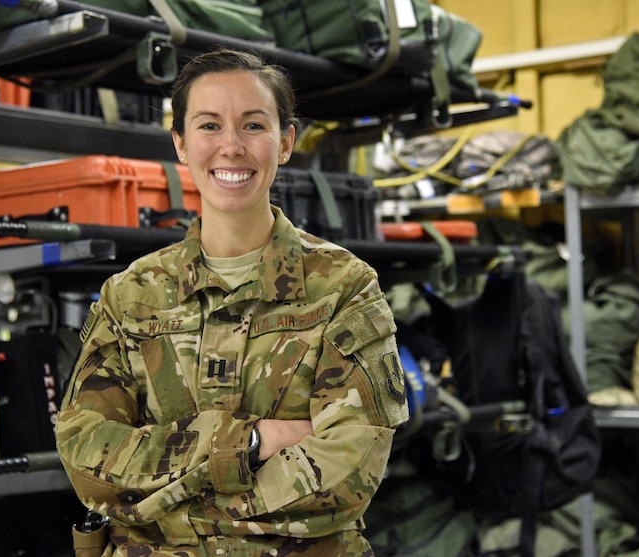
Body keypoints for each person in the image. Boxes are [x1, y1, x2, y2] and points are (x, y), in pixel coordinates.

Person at [56, 48, 409, 557]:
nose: (231, 147)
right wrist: (250, 444)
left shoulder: (343, 288)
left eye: (252, 126)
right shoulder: (131, 296)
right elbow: (85, 457)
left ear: (285, 142)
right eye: (208, 126)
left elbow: (348, 474)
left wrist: (168, 506)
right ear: (179, 143)